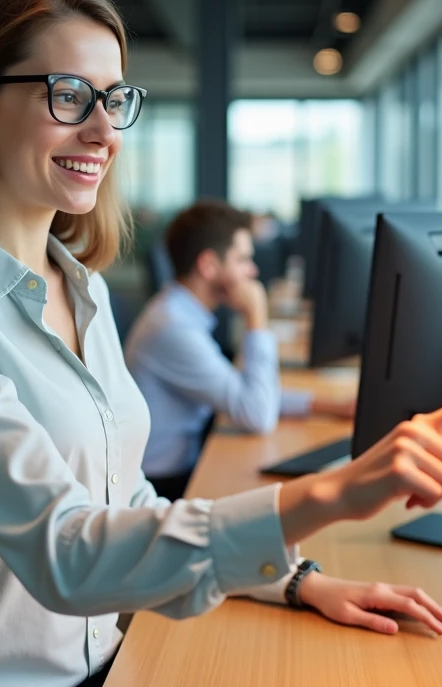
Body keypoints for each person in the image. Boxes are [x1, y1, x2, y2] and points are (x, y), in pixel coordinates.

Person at [0, 0, 442, 687]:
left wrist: (295, 580)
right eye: (69, 96)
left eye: (113, 99)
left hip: (107, 660)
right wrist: (329, 495)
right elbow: (65, 552)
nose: (105, 130)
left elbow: (126, 503)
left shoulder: (84, 289)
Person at [124, 200, 357, 500]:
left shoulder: (180, 313)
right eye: (243, 259)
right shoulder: (173, 328)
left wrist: (327, 406)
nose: (253, 270)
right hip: (165, 485)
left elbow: (243, 392)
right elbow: (257, 413)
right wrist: (256, 318)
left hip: (185, 464)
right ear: (208, 265)